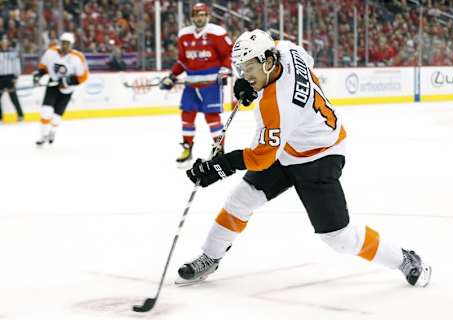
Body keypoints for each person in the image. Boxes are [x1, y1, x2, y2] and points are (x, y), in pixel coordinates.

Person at [176, 29, 432, 288]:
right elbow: (303, 62)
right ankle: (211, 256)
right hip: (290, 144)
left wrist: (219, 167)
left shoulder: (279, 105)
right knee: (241, 199)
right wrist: (255, 84)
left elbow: (260, 159)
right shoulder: (285, 48)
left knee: (340, 238)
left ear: (267, 62)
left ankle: (403, 258)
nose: (244, 75)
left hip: (320, 155)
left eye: (248, 68)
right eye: (241, 69)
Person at [160, 2, 233, 165]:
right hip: (191, 84)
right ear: (192, 17)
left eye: (203, 15)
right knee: (187, 115)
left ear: (208, 16)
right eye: (196, 15)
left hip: (211, 84)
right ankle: (187, 147)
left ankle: (219, 150)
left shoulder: (217, 32)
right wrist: (172, 76)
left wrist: (225, 70)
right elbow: (183, 61)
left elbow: (228, 54)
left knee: (212, 117)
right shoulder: (184, 35)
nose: (199, 18)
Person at [33, 32, 89, 146]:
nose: (65, 46)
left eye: (67, 44)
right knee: (46, 110)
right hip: (52, 85)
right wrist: (38, 76)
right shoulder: (51, 52)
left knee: (56, 116)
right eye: (63, 43)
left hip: (67, 90)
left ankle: (52, 132)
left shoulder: (78, 57)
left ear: (71, 45)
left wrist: (68, 81)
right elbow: (43, 68)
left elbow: (83, 77)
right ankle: (43, 135)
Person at [0, 36, 24, 123]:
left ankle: (20, 115)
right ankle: (0, 117)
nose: (4, 43)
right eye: (2, 41)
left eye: (5, 41)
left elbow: (16, 64)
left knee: (13, 97)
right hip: (0, 78)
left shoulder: (12, 53)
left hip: (10, 77)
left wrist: (16, 77)